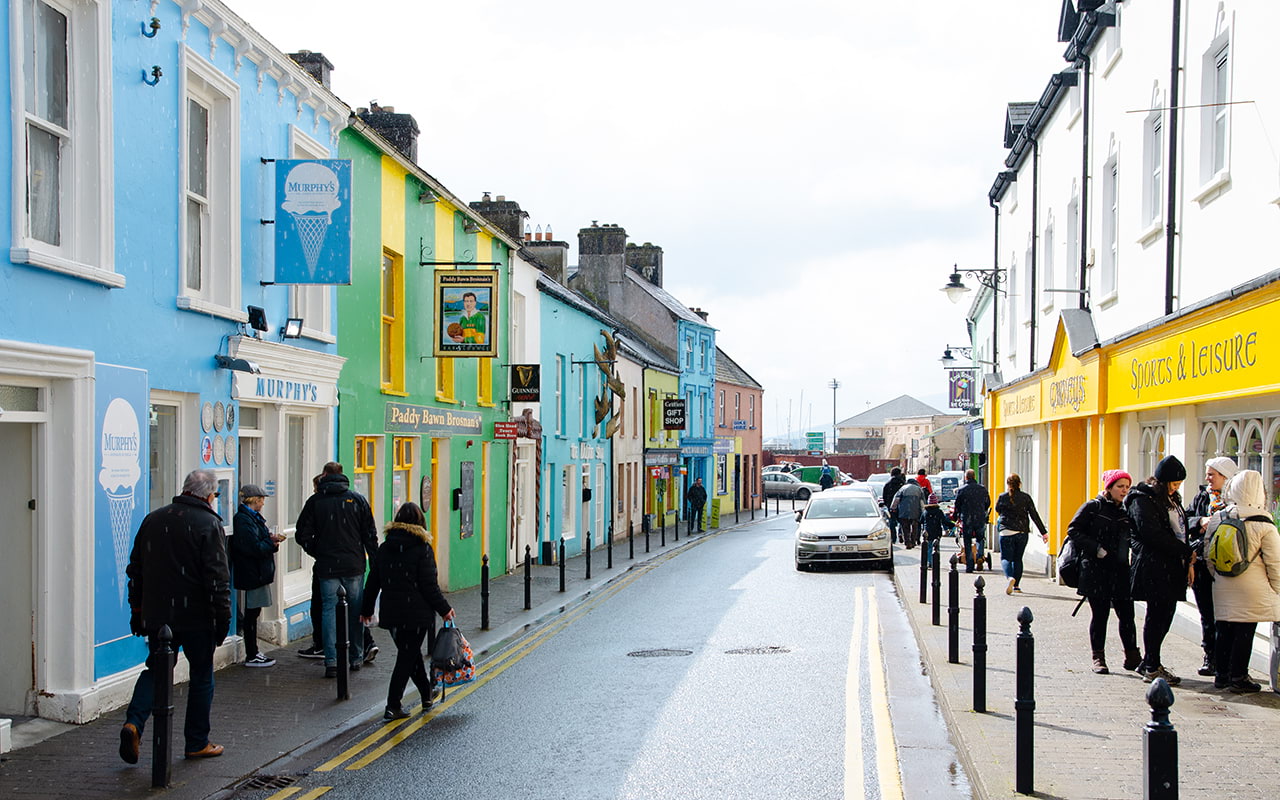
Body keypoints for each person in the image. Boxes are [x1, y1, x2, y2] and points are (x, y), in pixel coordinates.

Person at [119, 469, 230, 764]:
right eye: (215, 495)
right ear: (208, 495)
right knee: (202, 676)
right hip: (197, 616)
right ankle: (196, 742)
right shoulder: (208, 524)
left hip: (159, 616)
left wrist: (138, 612)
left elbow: (135, 570)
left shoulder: (154, 519)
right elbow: (218, 579)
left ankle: (134, 723)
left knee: (157, 670)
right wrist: (223, 620)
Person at [360, 503, 456, 720]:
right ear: (420, 522)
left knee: (409, 654)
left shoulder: (385, 548)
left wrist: (366, 609)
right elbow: (429, 586)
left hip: (392, 612)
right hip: (416, 613)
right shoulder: (422, 549)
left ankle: (426, 693)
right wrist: (445, 609)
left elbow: (373, 581)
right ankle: (392, 705)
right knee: (406, 657)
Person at [296, 462, 380, 678]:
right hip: (354, 565)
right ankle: (356, 657)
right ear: (342, 475)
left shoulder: (315, 502)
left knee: (329, 611)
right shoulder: (357, 500)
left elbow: (301, 534)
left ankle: (331, 661)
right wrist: (376, 562)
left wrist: (318, 551)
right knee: (355, 611)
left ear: (324, 475)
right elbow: (370, 534)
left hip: (328, 566)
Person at [1205, 469, 1280, 693]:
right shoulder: (1264, 524)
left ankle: (1221, 675)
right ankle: (1239, 676)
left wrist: (1218, 577)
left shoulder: (1220, 516)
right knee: (1244, 632)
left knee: (1224, 630)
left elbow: (1209, 553)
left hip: (1223, 584)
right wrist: (1277, 589)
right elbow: (1275, 563)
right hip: (1252, 587)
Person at [1125, 455, 1193, 685]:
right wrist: (1182, 550)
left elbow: (1180, 526)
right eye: (1174, 484)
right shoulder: (1142, 500)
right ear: (1162, 482)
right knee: (1157, 615)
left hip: (1171, 565)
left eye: (1179, 484)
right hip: (1154, 566)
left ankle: (1149, 661)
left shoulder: (1171, 500)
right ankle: (1152, 665)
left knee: (1166, 613)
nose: (1177, 488)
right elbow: (1151, 533)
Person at [1067, 470, 1140, 675]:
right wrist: (1096, 548)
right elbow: (1073, 530)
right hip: (1096, 570)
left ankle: (1132, 656)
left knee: (1127, 615)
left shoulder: (1126, 510)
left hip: (1120, 570)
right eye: (1120, 486)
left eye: (1126, 487)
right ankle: (1098, 657)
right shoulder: (1093, 507)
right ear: (1109, 487)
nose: (1124, 491)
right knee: (1100, 616)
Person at [1184, 456, 1237, 676]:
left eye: (1212, 474)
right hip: (1203, 564)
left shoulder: (1237, 500)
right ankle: (1210, 657)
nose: (1208, 478)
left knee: (1226, 616)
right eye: (1207, 473)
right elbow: (1184, 520)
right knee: (1207, 613)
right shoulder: (1202, 497)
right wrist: (1199, 521)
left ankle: (1229, 661)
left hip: (1228, 567)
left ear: (1226, 477)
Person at [230, 484, 285, 668]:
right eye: (261, 499)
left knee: (254, 612)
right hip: (253, 572)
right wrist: (271, 544)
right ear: (254, 500)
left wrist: (270, 540)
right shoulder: (243, 519)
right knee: (252, 613)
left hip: (258, 571)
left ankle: (253, 652)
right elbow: (252, 547)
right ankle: (252, 654)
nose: (263, 502)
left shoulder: (251, 518)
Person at [995, 473, 1048, 595]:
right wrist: (1043, 533)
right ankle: (1017, 585)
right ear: (1019, 484)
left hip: (1006, 531)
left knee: (1006, 558)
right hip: (1022, 532)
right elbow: (1034, 515)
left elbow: (998, 510)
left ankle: (1009, 578)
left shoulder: (1002, 497)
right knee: (1018, 559)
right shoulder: (1026, 497)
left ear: (1008, 484)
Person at [953, 469, 991, 572]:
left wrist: (956, 516)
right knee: (980, 538)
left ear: (966, 477)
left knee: (967, 540)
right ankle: (979, 556)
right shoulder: (982, 489)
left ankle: (970, 564)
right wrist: (982, 509)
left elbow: (957, 505)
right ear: (974, 477)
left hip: (967, 518)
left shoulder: (962, 490)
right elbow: (988, 503)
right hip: (980, 518)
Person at [891, 477, 926, 549]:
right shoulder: (919, 489)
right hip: (916, 511)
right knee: (914, 527)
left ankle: (907, 542)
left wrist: (893, 508)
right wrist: (923, 511)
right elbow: (922, 502)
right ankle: (913, 541)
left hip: (904, 511)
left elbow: (896, 499)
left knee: (905, 527)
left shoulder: (903, 488)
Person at [922, 493, 955, 565]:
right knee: (936, 547)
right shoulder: (939, 511)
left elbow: (921, 521)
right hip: (937, 531)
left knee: (929, 547)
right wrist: (952, 525)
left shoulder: (925, 512)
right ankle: (935, 561)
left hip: (927, 532)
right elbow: (944, 521)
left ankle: (929, 562)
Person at [882, 468, 905, 543]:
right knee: (902, 521)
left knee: (891, 521)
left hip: (890, 505)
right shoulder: (903, 483)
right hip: (901, 504)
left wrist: (887, 504)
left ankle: (893, 538)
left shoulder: (888, 484)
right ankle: (901, 533)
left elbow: (884, 496)